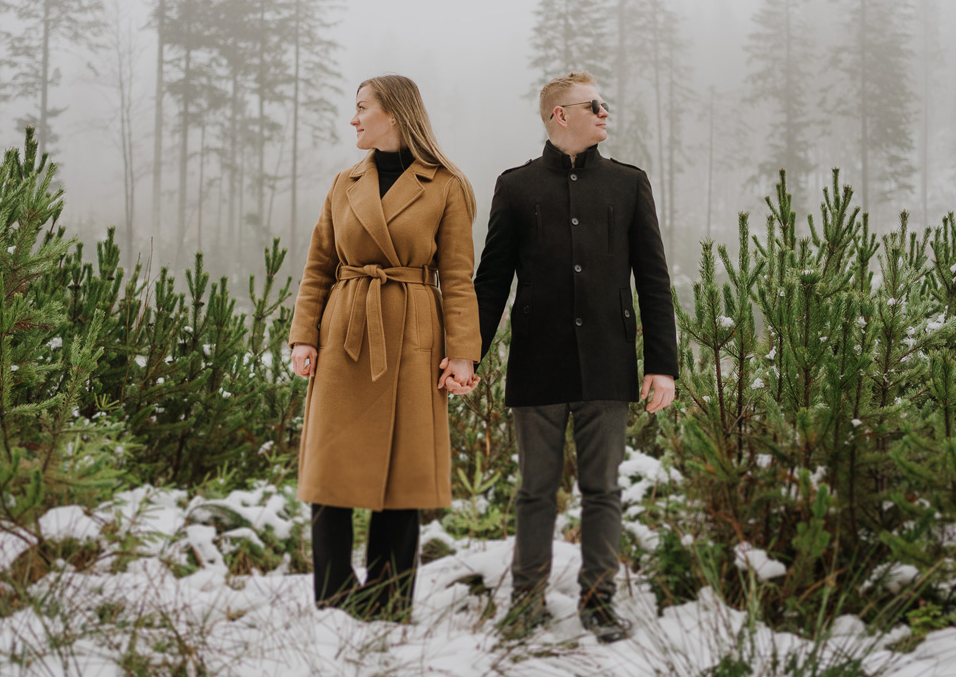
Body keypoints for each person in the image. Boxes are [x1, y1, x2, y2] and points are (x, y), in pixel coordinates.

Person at [473, 71, 678, 643]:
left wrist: (662, 364)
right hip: (536, 363)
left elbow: (653, 280)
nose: (606, 113)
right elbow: (491, 282)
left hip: (609, 363)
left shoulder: (628, 184)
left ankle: (599, 603)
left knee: (603, 491)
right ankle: (525, 604)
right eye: (595, 105)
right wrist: (468, 356)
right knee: (534, 492)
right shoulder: (515, 187)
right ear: (560, 114)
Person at [289, 74, 481, 622]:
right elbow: (318, 266)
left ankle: (389, 600)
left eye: (362, 108)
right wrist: (304, 335)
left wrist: (462, 353)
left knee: (404, 474)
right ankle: (333, 596)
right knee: (330, 468)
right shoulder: (344, 182)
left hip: (411, 333)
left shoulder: (446, 185)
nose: (353, 119)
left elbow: (458, 278)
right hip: (344, 330)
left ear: (393, 113)